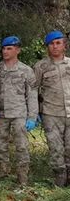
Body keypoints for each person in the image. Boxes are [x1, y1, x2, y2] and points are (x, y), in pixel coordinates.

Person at [0, 36, 38, 185]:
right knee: (1, 144)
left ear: (17, 50)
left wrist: (32, 116)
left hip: (19, 114)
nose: (5, 51)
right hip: (0, 114)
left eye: (9, 48)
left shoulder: (26, 70)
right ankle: (3, 172)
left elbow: (32, 95)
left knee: (22, 147)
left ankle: (22, 178)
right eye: (4, 48)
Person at [34, 30, 70, 186]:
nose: (55, 47)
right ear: (47, 47)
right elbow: (33, 90)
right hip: (51, 114)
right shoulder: (41, 66)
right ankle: (60, 180)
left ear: (64, 45)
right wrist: (35, 112)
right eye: (51, 44)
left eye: (58, 43)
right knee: (56, 148)